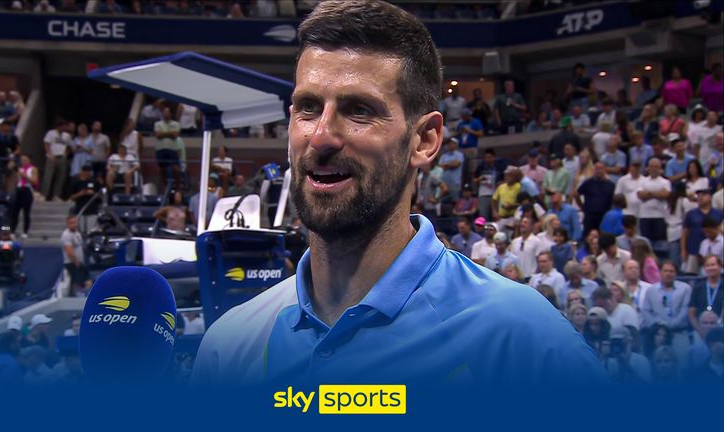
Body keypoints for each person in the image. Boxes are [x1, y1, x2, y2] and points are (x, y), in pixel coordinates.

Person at [192, 0, 605, 386]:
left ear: (424, 139)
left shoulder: (521, 341)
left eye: (359, 110)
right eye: (309, 107)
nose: (321, 137)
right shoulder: (229, 346)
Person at [642, 261, 692, 349]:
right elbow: (646, 310)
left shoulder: (685, 288)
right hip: (657, 335)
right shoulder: (651, 290)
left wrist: (670, 326)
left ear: (676, 273)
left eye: (671, 271)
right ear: (660, 272)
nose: (668, 274)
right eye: (665, 271)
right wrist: (656, 326)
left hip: (679, 333)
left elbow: (685, 310)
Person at [682, 188, 723, 274]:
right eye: (698, 196)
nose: (700, 198)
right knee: (692, 276)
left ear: (710, 197)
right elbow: (685, 232)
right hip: (694, 249)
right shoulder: (691, 213)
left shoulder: (719, 213)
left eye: (703, 195)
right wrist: (683, 250)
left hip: (716, 249)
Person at [637, 157, 671, 248]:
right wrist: (657, 193)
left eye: (656, 166)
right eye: (652, 166)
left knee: (660, 243)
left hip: (660, 216)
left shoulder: (665, 182)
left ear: (660, 168)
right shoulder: (642, 181)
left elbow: (665, 194)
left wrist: (649, 193)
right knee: (646, 244)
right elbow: (640, 195)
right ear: (648, 168)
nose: (654, 169)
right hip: (645, 216)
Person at [689, 255, 724, 341]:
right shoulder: (698, 286)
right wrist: (700, 331)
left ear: (720, 267)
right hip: (700, 333)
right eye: (707, 265)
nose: (710, 268)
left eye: (713, 265)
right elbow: (691, 313)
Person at [576, 162, 615, 238]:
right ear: (594, 170)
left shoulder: (610, 185)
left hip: (604, 216)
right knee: (588, 236)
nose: (599, 171)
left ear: (605, 170)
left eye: (601, 168)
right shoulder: (588, 183)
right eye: (597, 168)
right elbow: (577, 194)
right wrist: (582, 207)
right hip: (590, 215)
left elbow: (613, 199)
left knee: (603, 237)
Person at [61, 215, 92, 297]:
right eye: (71, 223)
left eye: (74, 222)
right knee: (78, 282)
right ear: (67, 224)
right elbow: (69, 251)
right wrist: (76, 262)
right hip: (72, 262)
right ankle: (76, 299)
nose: (73, 224)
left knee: (88, 281)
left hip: (80, 262)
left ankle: (85, 297)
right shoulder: (66, 235)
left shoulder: (77, 234)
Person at [40, 120, 71, 201]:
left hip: (61, 157)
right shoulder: (51, 133)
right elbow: (46, 143)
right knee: (48, 176)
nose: (65, 128)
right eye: (64, 126)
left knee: (60, 177)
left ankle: (56, 195)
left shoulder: (66, 135)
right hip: (52, 156)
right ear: (59, 126)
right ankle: (44, 195)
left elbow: (69, 146)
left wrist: (65, 154)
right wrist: (50, 154)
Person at [473, 149, 506, 220]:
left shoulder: (499, 166)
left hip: (496, 193)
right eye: (486, 157)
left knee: (496, 215)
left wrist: (500, 183)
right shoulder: (481, 166)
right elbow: (474, 180)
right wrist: (479, 179)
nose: (487, 159)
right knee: (483, 215)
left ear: (494, 157)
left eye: (489, 157)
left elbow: (504, 179)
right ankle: (484, 230)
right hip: (483, 194)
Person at [154, 107, 182, 189]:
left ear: (170, 114)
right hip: (160, 149)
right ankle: (164, 187)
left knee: (176, 168)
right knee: (162, 169)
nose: (165, 114)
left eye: (167, 112)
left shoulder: (176, 124)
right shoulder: (157, 124)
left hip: (172, 149)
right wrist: (170, 133)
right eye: (164, 112)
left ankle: (178, 187)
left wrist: (163, 133)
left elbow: (175, 135)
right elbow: (158, 135)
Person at [0, 122, 20, 191]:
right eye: (4, 126)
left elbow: (18, 149)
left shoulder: (13, 137)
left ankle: (7, 185)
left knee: (9, 168)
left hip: (10, 159)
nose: (6, 127)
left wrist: (13, 154)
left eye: (7, 126)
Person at [492, 167, 521, 232]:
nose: (507, 177)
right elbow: (494, 200)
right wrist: (495, 212)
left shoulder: (519, 186)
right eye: (506, 175)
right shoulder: (501, 187)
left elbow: (523, 202)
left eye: (510, 175)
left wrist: (513, 206)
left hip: (513, 217)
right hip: (502, 217)